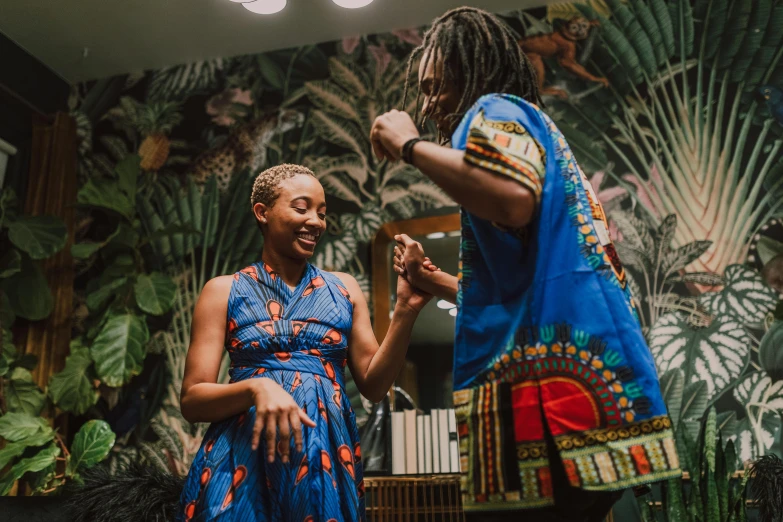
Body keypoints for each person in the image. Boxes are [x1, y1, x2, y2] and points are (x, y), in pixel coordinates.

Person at [370, 7, 680, 522]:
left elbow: (513, 198)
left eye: (434, 87)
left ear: (465, 69)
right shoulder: (538, 131)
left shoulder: (494, 109)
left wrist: (409, 145)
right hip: (579, 378)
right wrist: (434, 282)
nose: (427, 104)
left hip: (549, 392)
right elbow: (524, 281)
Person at [176, 164, 430, 521]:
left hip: (324, 455)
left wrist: (405, 310)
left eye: (322, 213)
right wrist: (256, 389)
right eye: (301, 208)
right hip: (241, 461)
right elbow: (192, 399)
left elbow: (374, 385)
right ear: (263, 213)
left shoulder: (343, 289)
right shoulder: (223, 290)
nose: (316, 222)